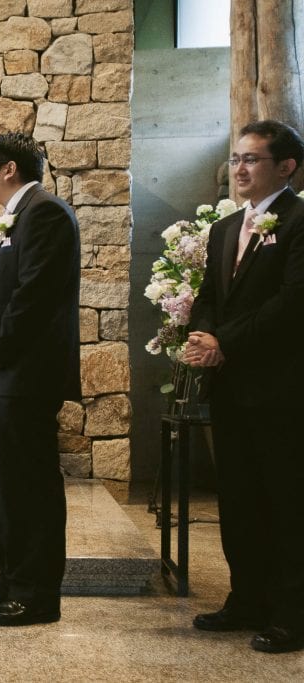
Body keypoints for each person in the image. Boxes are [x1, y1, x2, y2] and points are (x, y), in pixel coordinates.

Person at [185, 119, 304, 654]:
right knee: (237, 499)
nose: (239, 168)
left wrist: (224, 342)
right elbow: (208, 294)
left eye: (251, 159)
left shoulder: (300, 221)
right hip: (230, 387)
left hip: (281, 387)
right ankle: (245, 597)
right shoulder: (224, 228)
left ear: (286, 167)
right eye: (235, 158)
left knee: (285, 499)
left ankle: (292, 612)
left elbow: (292, 302)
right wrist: (202, 334)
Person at [0, 132, 80, 627]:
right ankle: (10, 580)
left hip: (26, 375)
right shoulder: (19, 216)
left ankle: (37, 594)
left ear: (10, 169)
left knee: (29, 486)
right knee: (1, 484)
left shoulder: (46, 213)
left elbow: (34, 297)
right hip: (5, 374)